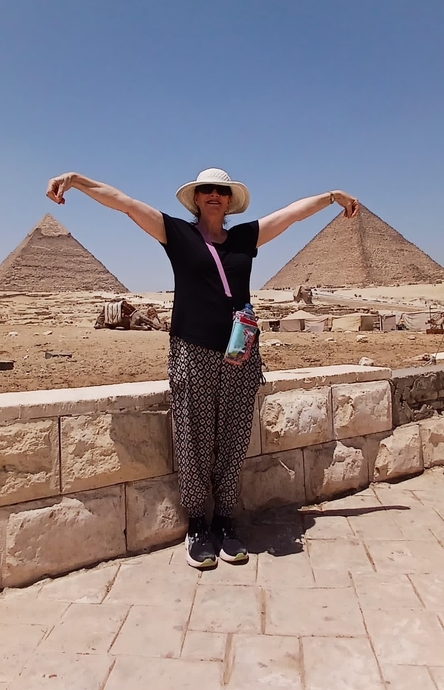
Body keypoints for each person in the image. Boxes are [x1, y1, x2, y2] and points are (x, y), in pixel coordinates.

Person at [46, 167, 359, 569]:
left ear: (230, 200)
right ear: (196, 198)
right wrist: (76, 180)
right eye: (206, 189)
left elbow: (292, 214)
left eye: (221, 190)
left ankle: (226, 522)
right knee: (192, 439)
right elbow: (124, 204)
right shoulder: (176, 233)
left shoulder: (247, 237)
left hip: (240, 354)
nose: (214, 195)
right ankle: (197, 525)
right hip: (191, 350)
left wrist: (332, 195)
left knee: (233, 437)